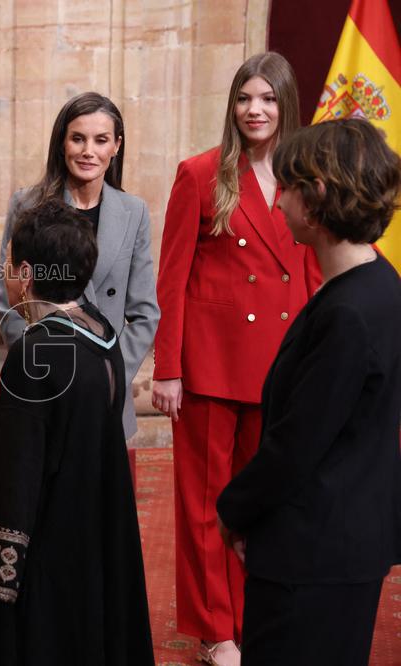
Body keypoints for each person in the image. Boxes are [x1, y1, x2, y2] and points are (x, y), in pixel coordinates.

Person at [0, 198, 154, 664]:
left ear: (24, 273)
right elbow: (38, 426)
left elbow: (13, 478)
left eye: (6, 265)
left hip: (45, 566)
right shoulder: (101, 337)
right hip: (93, 549)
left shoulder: (36, 351)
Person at [151, 52, 322, 665]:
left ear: (286, 106)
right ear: (233, 105)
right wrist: (167, 368)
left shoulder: (310, 175)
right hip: (211, 366)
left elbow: (313, 271)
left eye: (268, 99)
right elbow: (169, 280)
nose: (255, 110)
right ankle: (215, 629)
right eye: (245, 98)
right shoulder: (200, 174)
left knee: (266, 500)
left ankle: (254, 617)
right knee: (206, 505)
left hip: (281, 366)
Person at [217, 118, 401, 665]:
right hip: (339, 540)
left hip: (316, 552)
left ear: (317, 195)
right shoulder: (380, 282)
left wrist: (235, 510)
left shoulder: (347, 312)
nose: (278, 204)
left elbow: (297, 444)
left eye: (288, 187)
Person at [0, 92, 159, 440]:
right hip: (42, 384)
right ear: (62, 142)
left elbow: (145, 314)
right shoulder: (27, 204)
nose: (88, 151)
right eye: (78, 138)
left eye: (101, 140)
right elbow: (6, 300)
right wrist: (41, 367)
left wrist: (108, 372)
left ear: (116, 146)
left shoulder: (135, 213)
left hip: (107, 389)